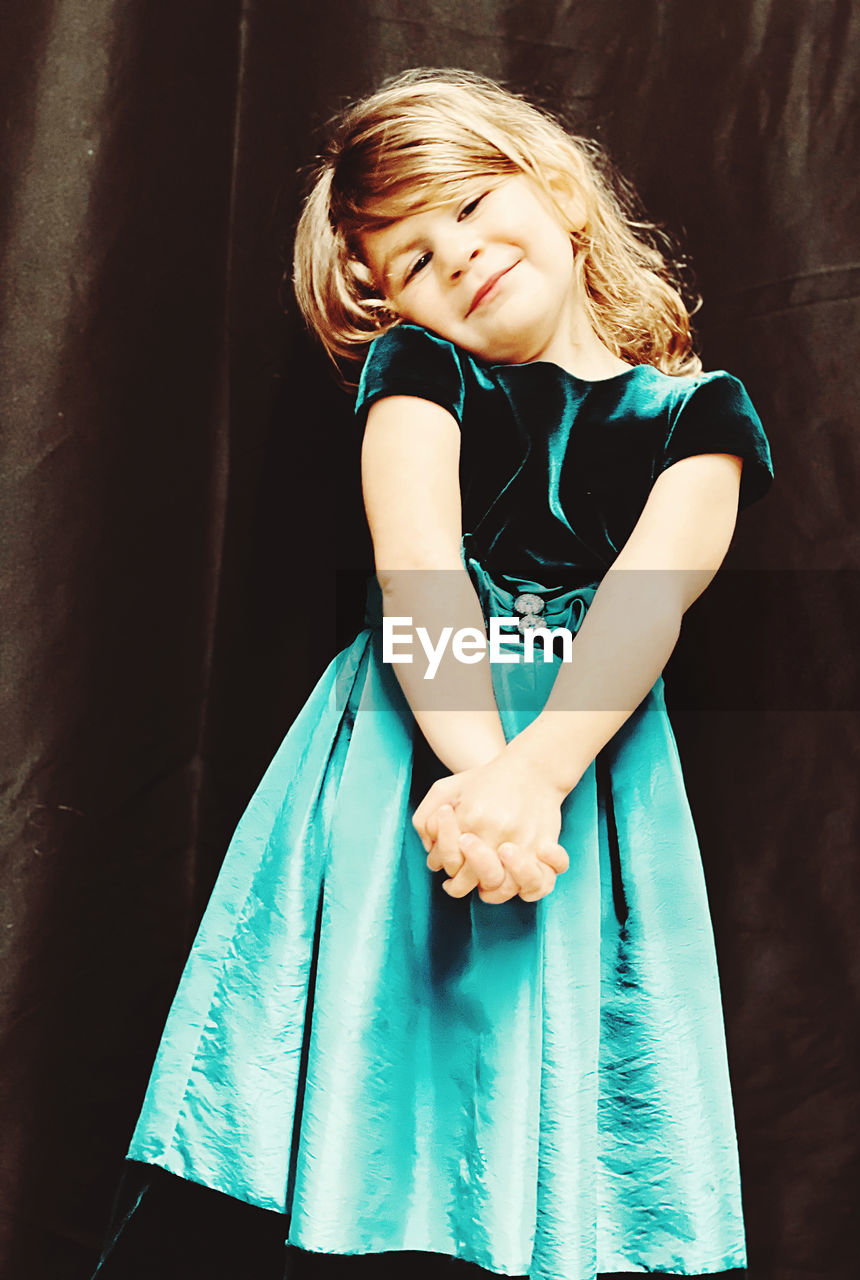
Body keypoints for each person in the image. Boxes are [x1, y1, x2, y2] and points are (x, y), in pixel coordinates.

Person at [92, 67, 774, 1280]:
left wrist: (532, 783)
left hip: (578, 781)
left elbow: (645, 604)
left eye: (465, 205)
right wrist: (478, 781)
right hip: (414, 764)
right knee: (372, 1081)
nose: (452, 254)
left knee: (553, 1084)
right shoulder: (419, 375)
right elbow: (419, 572)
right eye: (409, 258)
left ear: (556, 189)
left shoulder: (698, 417)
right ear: (390, 305)